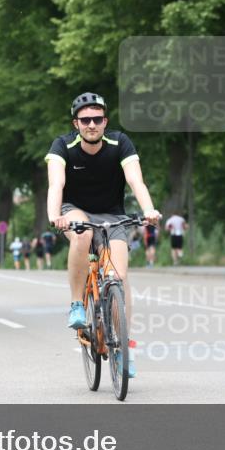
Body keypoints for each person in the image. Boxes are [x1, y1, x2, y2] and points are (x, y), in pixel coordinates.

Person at [46, 91, 161, 378]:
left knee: (119, 278)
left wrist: (149, 210)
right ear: (76, 124)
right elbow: (55, 185)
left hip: (113, 216)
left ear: (105, 121)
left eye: (97, 119)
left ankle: (122, 347)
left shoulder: (120, 143)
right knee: (83, 235)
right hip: (75, 211)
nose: (91, 124)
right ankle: (76, 305)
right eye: (85, 120)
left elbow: (136, 180)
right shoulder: (63, 146)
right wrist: (54, 216)